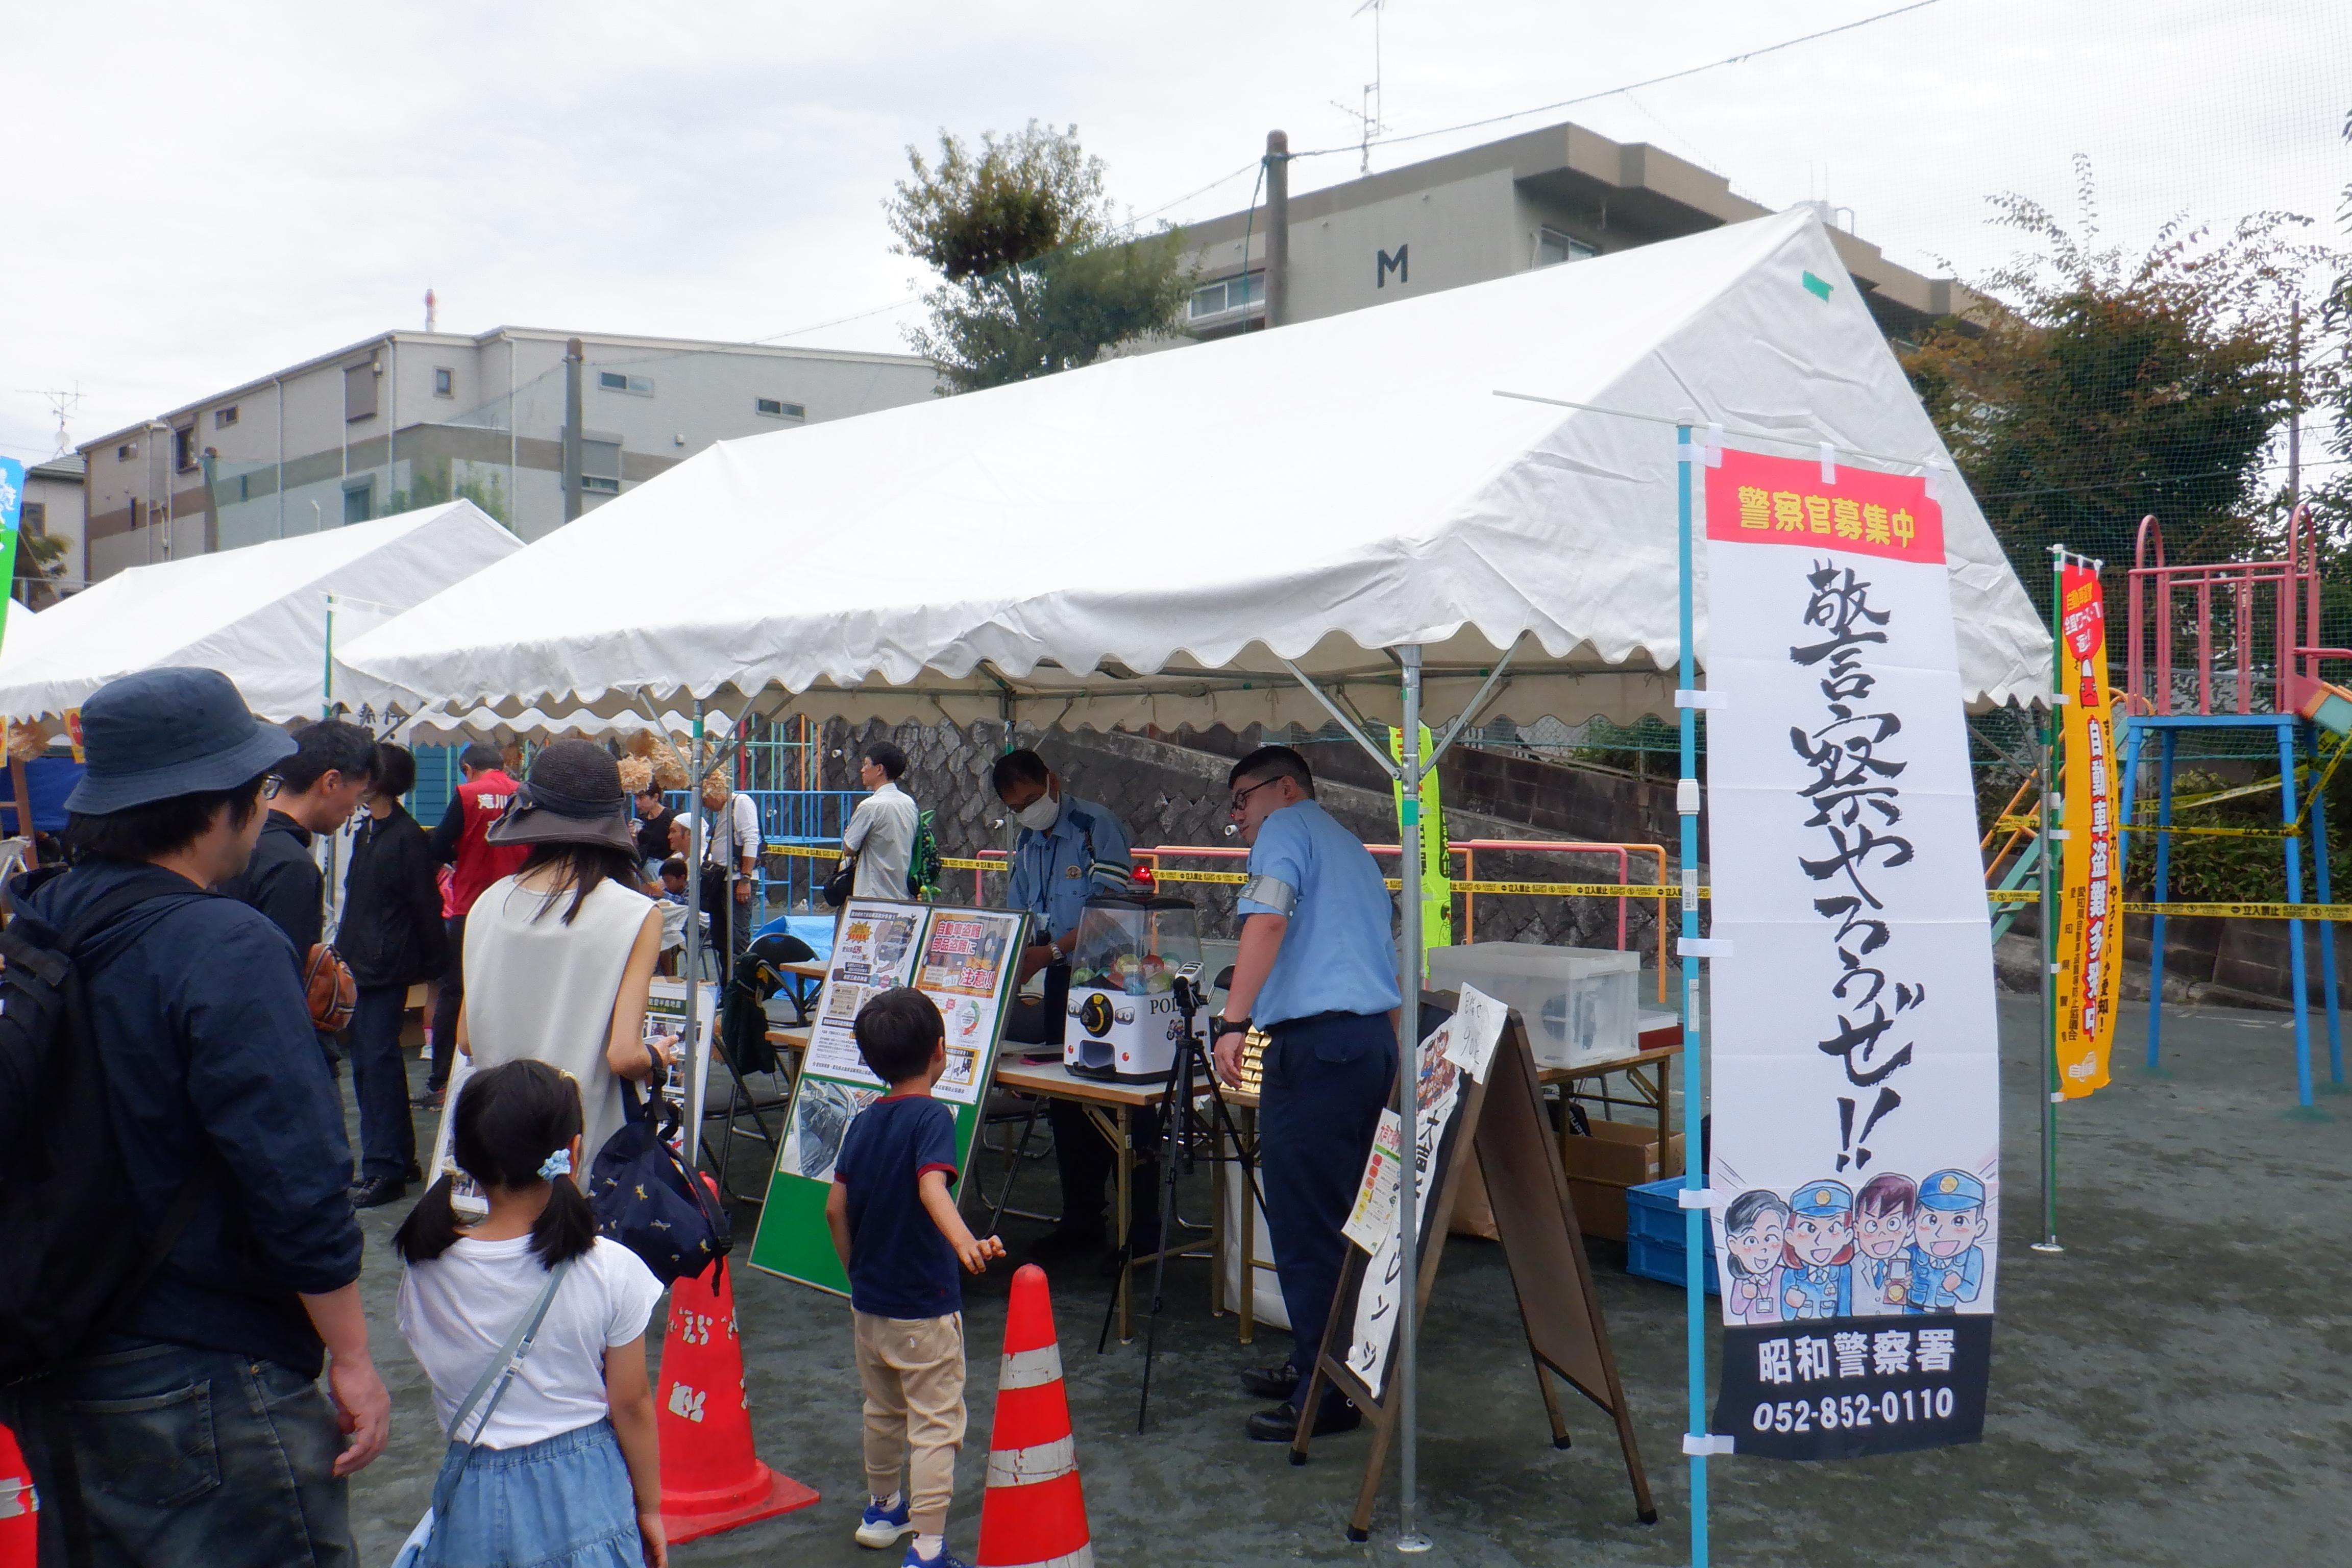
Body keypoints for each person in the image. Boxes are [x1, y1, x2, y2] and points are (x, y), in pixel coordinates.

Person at [6, 667, 388, 1563]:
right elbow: (295, 1171)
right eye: (254, 790)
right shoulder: (220, 941)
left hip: (58, 1347)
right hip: (205, 1366)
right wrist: (355, 1354)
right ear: (212, 806)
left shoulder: (42, 914)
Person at [394, 1059, 667, 1568]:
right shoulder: (612, 1270)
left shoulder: (425, 1268)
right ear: (575, 1152)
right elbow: (630, 1403)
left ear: (468, 1157)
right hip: (584, 1492)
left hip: (472, 1488)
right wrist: (649, 1508)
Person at [1210, 744, 1400, 1443]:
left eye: (1244, 797)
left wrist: (1234, 1020)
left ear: (1285, 788)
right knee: (1349, 1218)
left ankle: (1323, 1392)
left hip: (1315, 1050)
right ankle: (1322, 1364)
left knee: (1306, 1223)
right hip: (1366, 1047)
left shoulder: (1286, 830)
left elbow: (1266, 920)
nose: (1241, 815)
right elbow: (1382, 955)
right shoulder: (1351, 846)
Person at [824, 988, 1005, 1568]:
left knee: (881, 1410)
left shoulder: (861, 1121)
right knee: (935, 1424)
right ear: (939, 1050)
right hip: (922, 1304)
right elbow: (932, 1188)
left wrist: (858, 1274)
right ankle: (928, 1548)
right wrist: (966, 1245)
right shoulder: (932, 1116)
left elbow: (834, 1208)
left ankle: (883, 1509)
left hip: (870, 1302)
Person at [458, 740, 674, 1174]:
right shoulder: (635, 914)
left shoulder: (488, 903)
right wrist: (659, 1055)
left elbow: (465, 1039)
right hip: (585, 1144)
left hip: (495, 1142)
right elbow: (624, 1056)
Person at [990, 748, 1155, 1262]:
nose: (1029, 812)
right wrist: (1014, 954)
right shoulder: (1028, 841)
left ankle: (1141, 1230)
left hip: (1112, 982)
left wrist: (1050, 952)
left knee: (1121, 1105)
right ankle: (1082, 1219)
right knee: (1067, 1102)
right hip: (1061, 982)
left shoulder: (1094, 827)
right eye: (1018, 807)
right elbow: (1021, 912)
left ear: (1053, 781)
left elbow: (1110, 911)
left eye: (1035, 799)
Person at [218, 716, 376, 1074]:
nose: (355, 808)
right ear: (331, 782)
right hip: (275, 1058)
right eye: (359, 793)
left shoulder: (238, 845)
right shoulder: (294, 867)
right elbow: (286, 987)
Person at [340, 742, 450, 1208]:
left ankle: (386, 1166)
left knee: (376, 1063)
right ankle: (396, 1161)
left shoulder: (404, 837)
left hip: (383, 965)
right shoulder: (370, 830)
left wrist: (434, 965)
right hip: (363, 961)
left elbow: (426, 906)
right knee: (371, 1064)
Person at [422, 742, 529, 1109]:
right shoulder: (524, 794)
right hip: (518, 903)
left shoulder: (467, 794)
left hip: (471, 905)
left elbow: (437, 847)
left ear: (467, 768)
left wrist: (463, 854)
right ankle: (516, 1072)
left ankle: (441, 1080)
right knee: (513, 987)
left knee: (456, 992)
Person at [694, 767, 762, 971]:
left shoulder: (740, 802)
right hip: (722, 879)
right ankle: (726, 986)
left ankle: (742, 988)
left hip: (736, 878)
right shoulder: (724, 810)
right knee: (722, 939)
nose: (705, 805)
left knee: (737, 937)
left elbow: (751, 839)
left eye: (705, 800)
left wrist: (746, 878)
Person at [839, 740, 918, 902]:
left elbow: (849, 848)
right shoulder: (909, 803)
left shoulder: (869, 806)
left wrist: (850, 834)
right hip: (902, 893)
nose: (862, 770)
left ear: (879, 769)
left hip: (872, 895)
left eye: (866, 764)